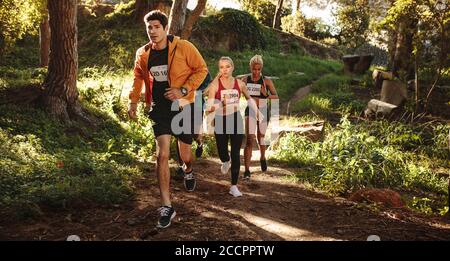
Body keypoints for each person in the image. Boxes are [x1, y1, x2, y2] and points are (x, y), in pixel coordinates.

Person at [127, 10, 208, 228]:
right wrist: (133, 101)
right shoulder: (143, 54)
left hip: (183, 106)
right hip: (160, 108)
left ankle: (188, 171)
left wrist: (183, 89)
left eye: (156, 27)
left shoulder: (183, 47)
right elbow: (137, 78)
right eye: (149, 28)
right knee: (161, 155)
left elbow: (202, 70)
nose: (152, 31)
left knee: (185, 154)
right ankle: (167, 206)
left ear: (165, 29)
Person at [206, 57, 262, 197]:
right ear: (219, 69)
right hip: (220, 120)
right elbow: (208, 108)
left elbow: (249, 99)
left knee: (236, 152)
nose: (224, 70)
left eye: (227, 67)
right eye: (221, 67)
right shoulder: (215, 85)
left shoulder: (240, 84)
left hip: (235, 119)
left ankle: (234, 186)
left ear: (232, 68)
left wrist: (259, 114)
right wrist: (221, 104)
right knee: (222, 151)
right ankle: (226, 160)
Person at [242, 55, 278, 179]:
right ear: (250, 67)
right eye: (254, 69)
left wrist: (266, 95)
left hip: (263, 110)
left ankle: (262, 157)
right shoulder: (245, 80)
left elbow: (276, 97)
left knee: (261, 137)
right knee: (249, 139)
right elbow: (237, 91)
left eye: (258, 69)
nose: (256, 72)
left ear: (261, 68)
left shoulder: (266, 81)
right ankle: (247, 170)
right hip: (251, 110)